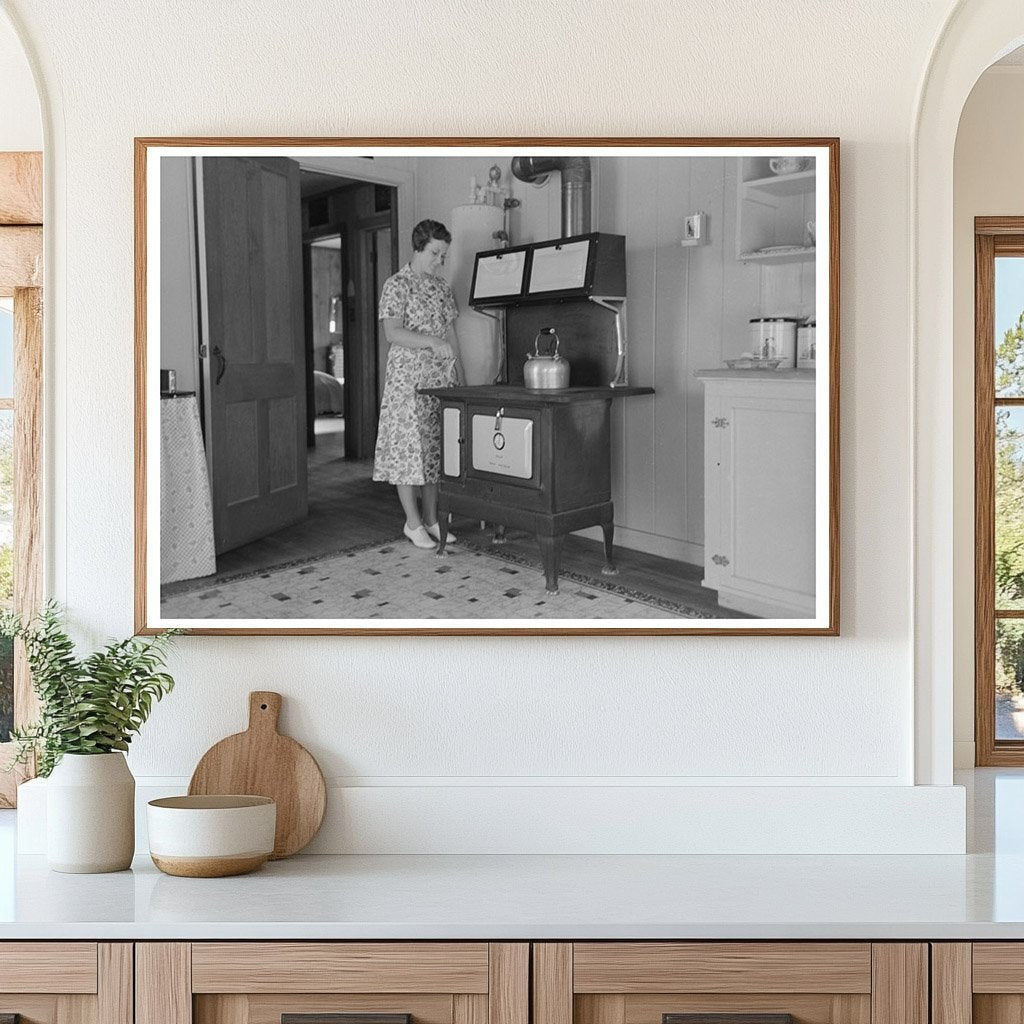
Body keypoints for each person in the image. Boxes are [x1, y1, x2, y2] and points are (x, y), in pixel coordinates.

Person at [372, 219, 464, 549]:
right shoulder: (396, 285)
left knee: (434, 452)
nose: (440, 260)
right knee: (409, 452)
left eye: (444, 255)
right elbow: (392, 332)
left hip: (440, 379)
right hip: (407, 381)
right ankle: (412, 524)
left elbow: (451, 336)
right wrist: (429, 342)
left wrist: (460, 378)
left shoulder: (441, 289)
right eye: (435, 253)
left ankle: (433, 520)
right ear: (418, 249)